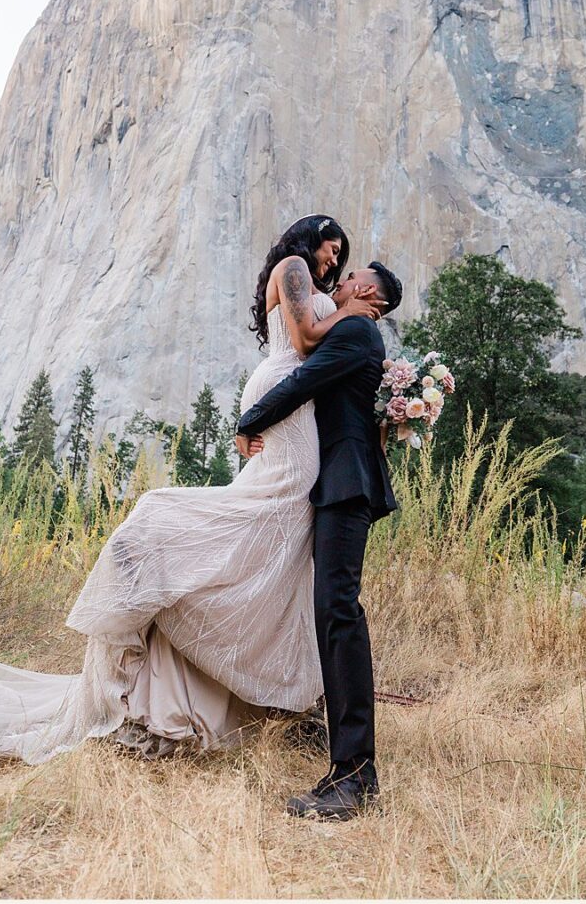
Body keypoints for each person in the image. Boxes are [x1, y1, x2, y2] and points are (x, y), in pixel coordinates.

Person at [0, 215, 382, 765]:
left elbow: (324, 365)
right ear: (310, 241)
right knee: (193, 528)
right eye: (332, 252)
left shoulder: (321, 294)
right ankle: (168, 665)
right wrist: (348, 314)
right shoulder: (294, 268)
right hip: (283, 422)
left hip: (291, 433)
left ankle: (266, 703)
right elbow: (306, 338)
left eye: (340, 261)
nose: (332, 265)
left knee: (261, 557)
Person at [237, 257, 403, 820]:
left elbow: (306, 378)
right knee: (332, 611)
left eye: (353, 276)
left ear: (366, 291)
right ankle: (346, 764)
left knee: (338, 612)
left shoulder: (357, 328)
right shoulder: (359, 330)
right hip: (338, 480)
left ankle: (355, 776)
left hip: (345, 482)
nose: (344, 279)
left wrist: (249, 420)